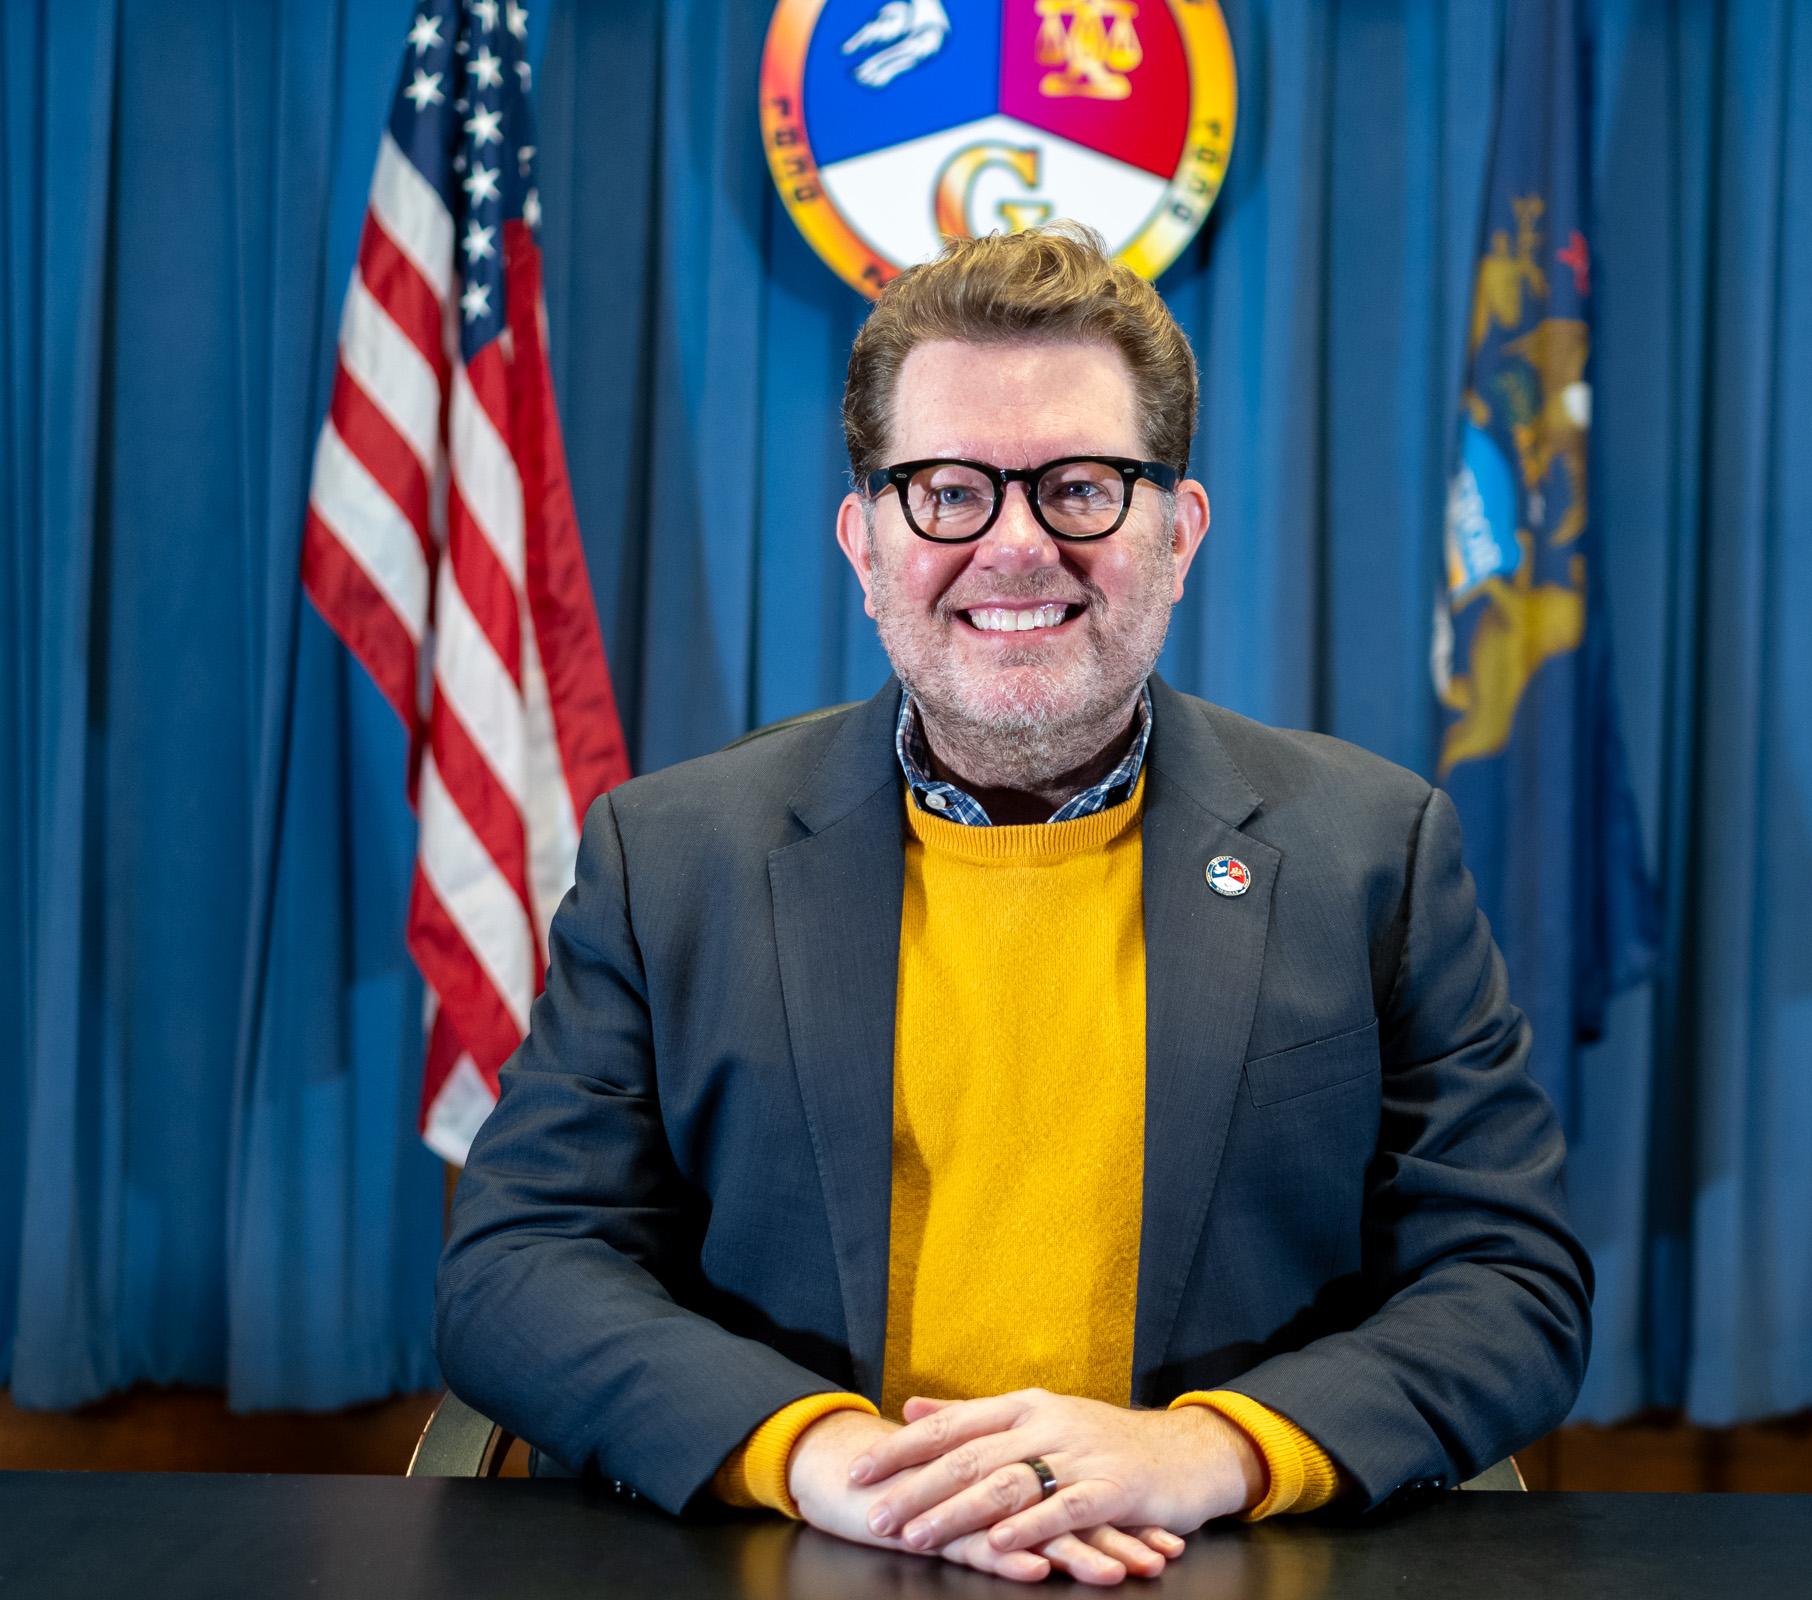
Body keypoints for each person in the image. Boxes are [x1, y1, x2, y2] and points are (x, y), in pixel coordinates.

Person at [435, 225, 1591, 1586]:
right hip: (802, 1553)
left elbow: (1510, 1280)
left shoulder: (1371, 853)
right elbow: (517, 1266)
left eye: (1083, 488)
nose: (1018, 545)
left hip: (1210, 1558)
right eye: (948, 492)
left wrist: (1214, 1448)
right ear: (864, 542)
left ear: (1180, 532)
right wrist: (815, 1457)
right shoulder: (670, 858)